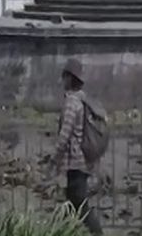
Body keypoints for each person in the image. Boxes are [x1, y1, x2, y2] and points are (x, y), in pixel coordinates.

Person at [55, 58, 102, 233]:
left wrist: (54, 159)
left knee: (80, 206)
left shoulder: (71, 103)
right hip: (81, 162)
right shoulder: (82, 101)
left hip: (74, 163)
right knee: (72, 206)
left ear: (69, 78)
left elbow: (64, 136)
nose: (62, 80)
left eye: (64, 76)